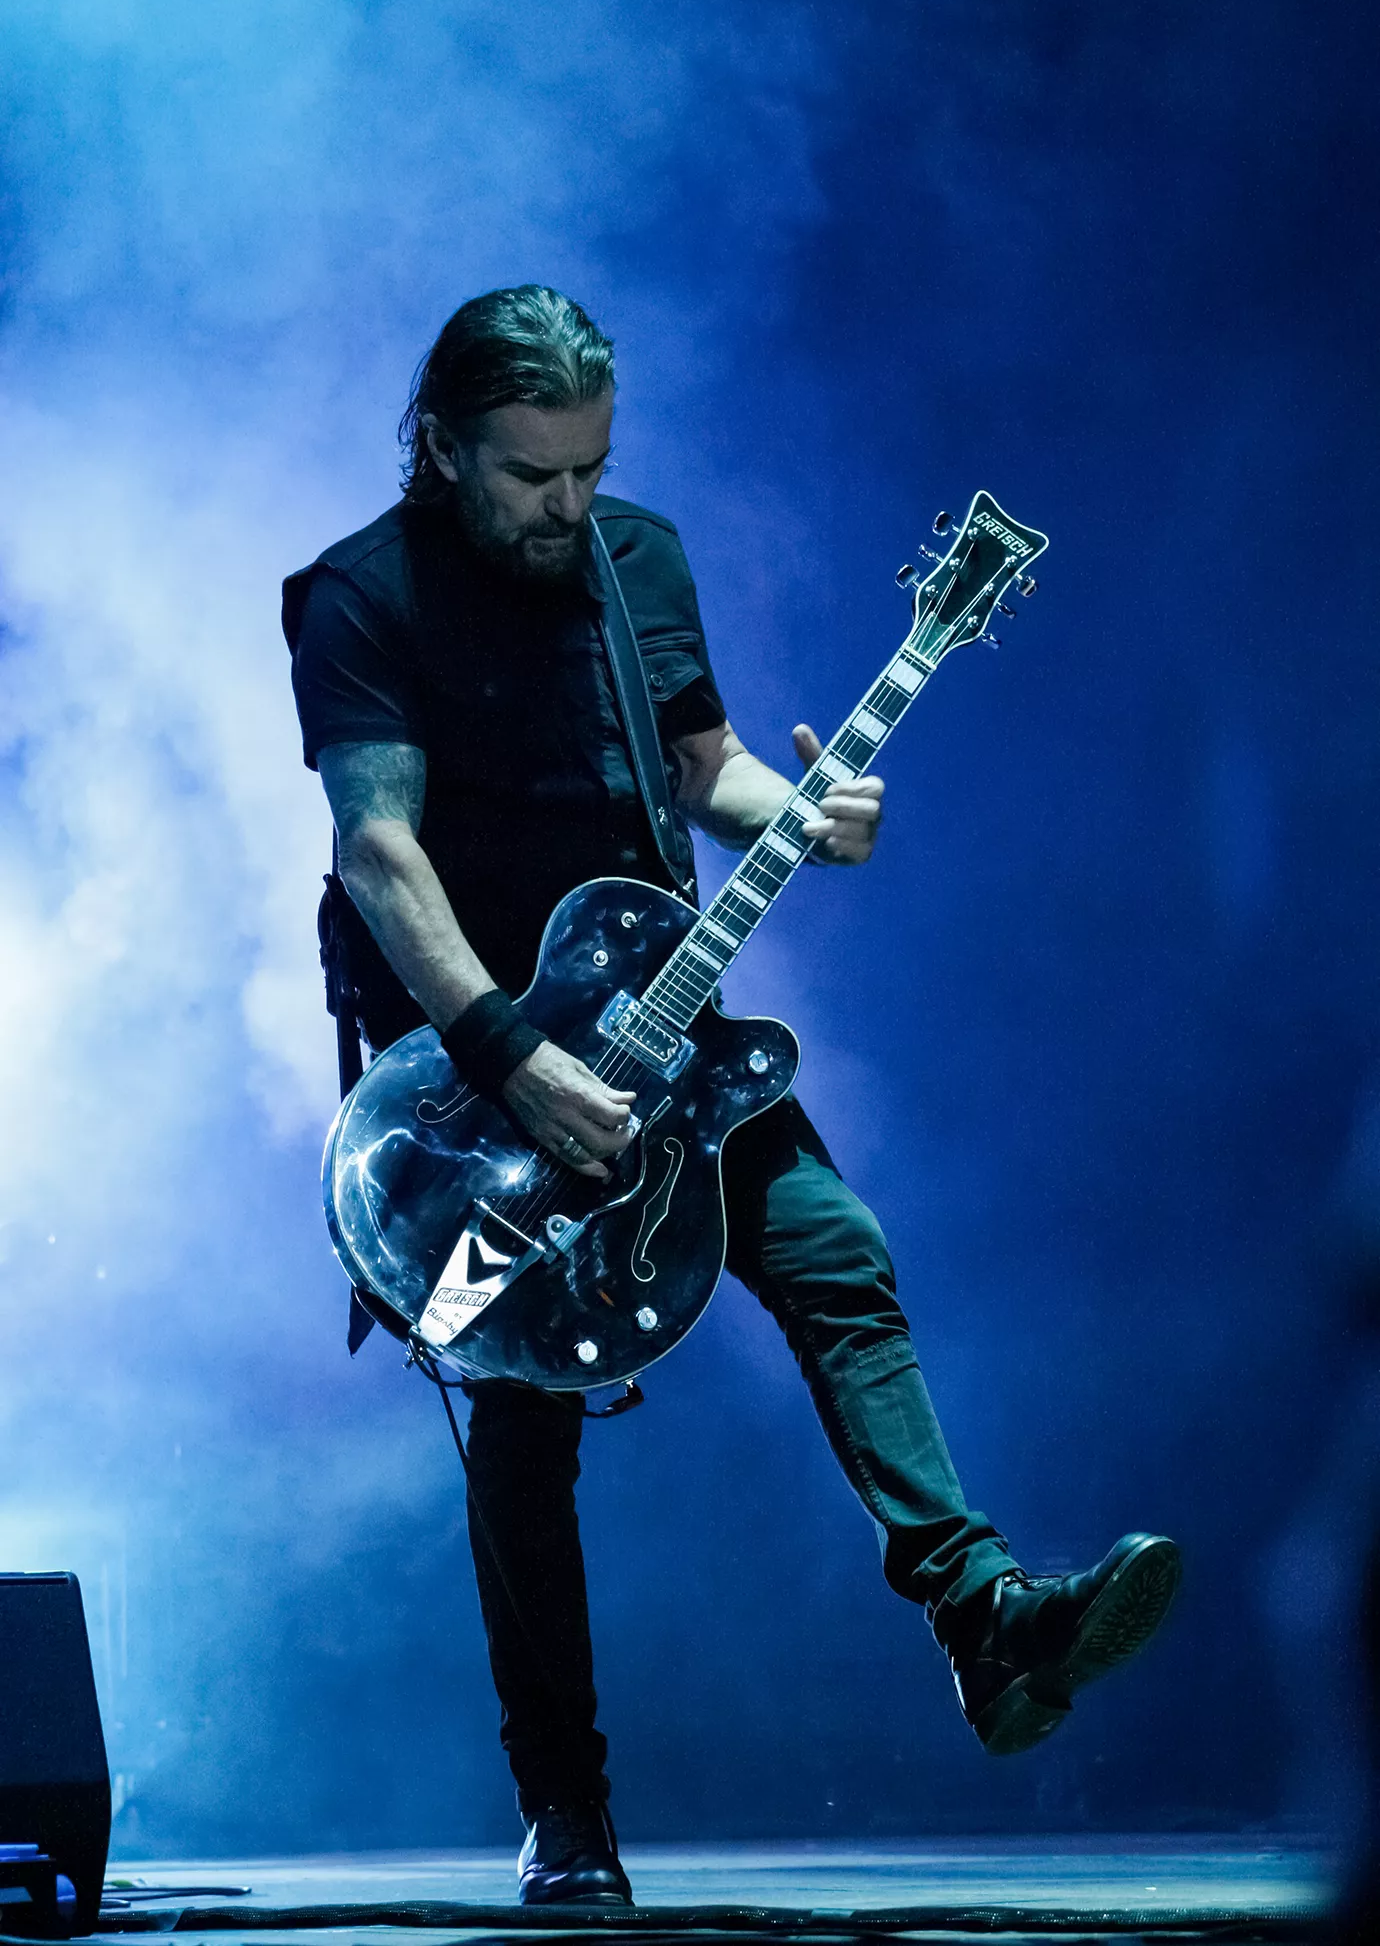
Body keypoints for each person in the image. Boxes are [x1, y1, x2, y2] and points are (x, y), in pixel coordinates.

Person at [283, 285, 1181, 1906]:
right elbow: (379, 848)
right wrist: (510, 1054)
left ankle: (985, 1616)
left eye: (591, 467)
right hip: (478, 1083)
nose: (570, 505)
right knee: (521, 1418)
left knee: (838, 1253)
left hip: (664, 1016)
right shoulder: (359, 596)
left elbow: (705, 766)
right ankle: (566, 1810)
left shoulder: (637, 558)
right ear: (442, 446)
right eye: (532, 475)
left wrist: (808, 808)